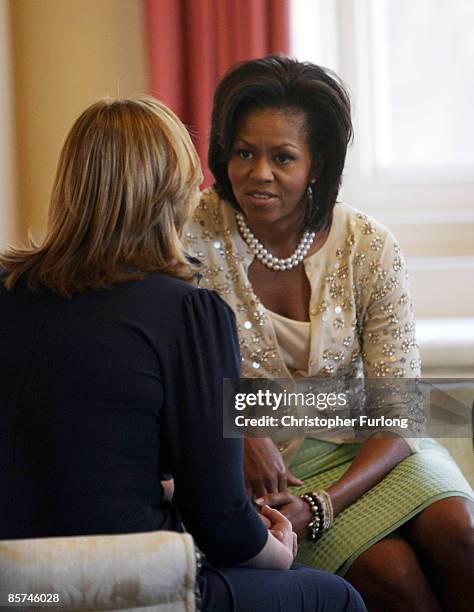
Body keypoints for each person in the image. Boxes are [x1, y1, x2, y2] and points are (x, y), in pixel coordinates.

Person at [0, 96, 366, 612]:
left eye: (282, 157)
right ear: (173, 192)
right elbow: (219, 517)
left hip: (18, 588)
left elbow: (73, 460)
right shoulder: (188, 312)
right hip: (128, 584)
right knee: (336, 595)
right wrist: (276, 550)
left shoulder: (8, 291)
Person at [184, 56, 474, 611]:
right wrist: (238, 429)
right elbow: (165, 370)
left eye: (282, 157)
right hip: (279, 476)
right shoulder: (187, 236)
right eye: (244, 152)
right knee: (391, 574)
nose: (259, 173)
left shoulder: (369, 246)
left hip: (374, 451)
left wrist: (321, 506)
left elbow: (399, 408)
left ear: (317, 164)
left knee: (459, 529)